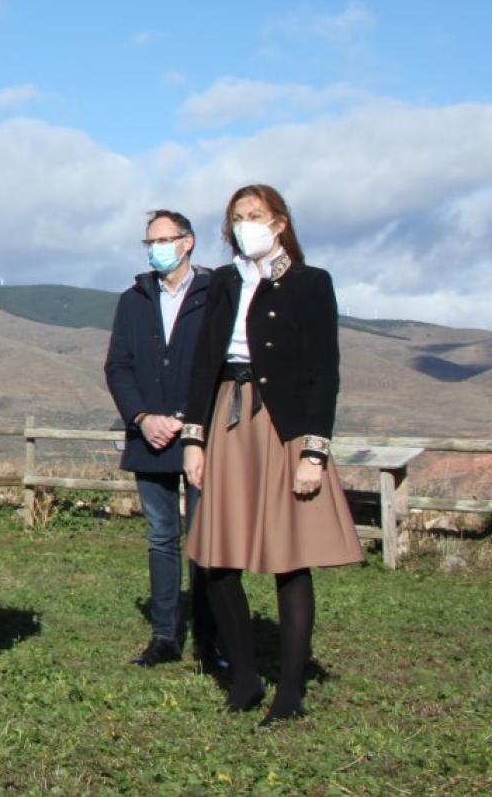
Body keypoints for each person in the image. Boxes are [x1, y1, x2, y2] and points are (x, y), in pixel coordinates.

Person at [183, 184, 362, 725]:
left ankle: (290, 689)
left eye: (254, 215)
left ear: (280, 222)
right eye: (236, 217)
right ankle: (242, 677)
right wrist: (195, 439)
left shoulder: (310, 283)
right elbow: (203, 361)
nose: (244, 225)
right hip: (226, 416)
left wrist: (313, 452)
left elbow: (323, 372)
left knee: (289, 559)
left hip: (282, 424)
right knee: (216, 560)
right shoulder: (223, 282)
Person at [103, 210, 218, 670]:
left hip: (204, 437)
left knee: (209, 537)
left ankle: (214, 637)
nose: (155, 248)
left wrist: (190, 421)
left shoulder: (214, 295)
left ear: (188, 242)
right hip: (148, 435)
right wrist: (142, 416)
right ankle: (166, 635)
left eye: (164, 239)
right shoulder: (133, 300)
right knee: (161, 537)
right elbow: (118, 366)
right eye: (149, 241)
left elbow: (218, 364)